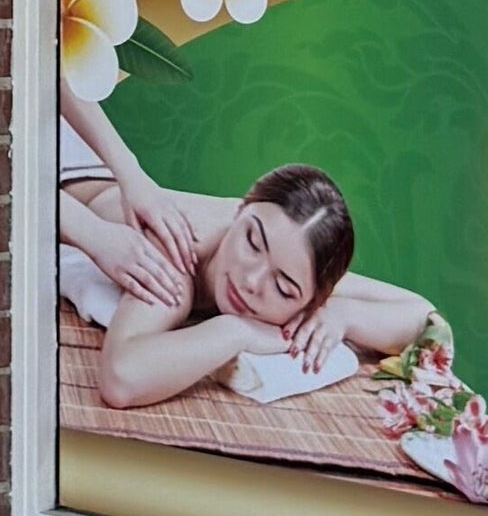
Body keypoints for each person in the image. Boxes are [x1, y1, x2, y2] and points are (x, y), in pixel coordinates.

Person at [56, 81, 437, 410]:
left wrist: (343, 316)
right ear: (240, 211)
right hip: (51, 162)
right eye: (253, 241)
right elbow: (121, 380)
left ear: (311, 301)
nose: (252, 279)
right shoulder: (179, 249)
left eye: (284, 287)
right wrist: (236, 332)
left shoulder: (290, 258)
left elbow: (425, 319)